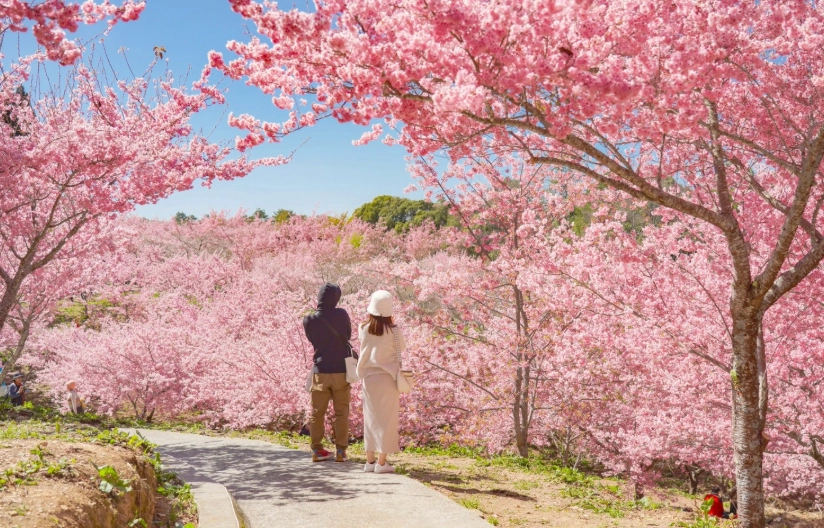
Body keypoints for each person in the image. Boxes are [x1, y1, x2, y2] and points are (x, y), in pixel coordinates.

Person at [303, 283, 353, 463]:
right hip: (340, 370)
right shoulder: (341, 314)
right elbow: (347, 335)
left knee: (317, 413)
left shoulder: (309, 320)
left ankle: (317, 450)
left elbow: (313, 341)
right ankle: (341, 451)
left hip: (320, 371)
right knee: (342, 412)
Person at [356, 290, 404, 474]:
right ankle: (381, 463)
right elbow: (403, 347)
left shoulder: (363, 328)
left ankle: (369, 461)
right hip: (388, 378)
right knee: (387, 420)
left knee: (370, 419)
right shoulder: (395, 331)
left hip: (369, 379)